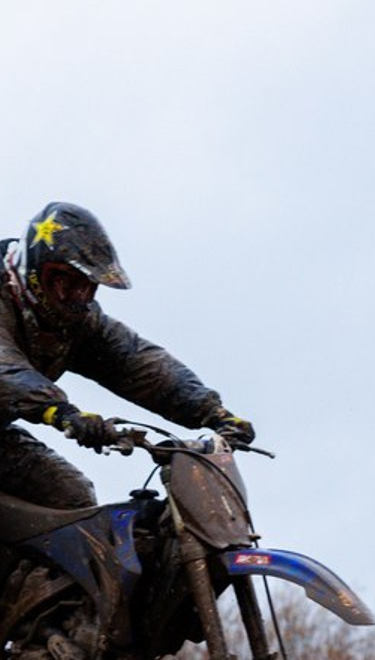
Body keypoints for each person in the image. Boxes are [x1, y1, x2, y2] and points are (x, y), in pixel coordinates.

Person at [0, 201, 254, 509]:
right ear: (37, 269)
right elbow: (5, 367)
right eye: (67, 282)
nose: (77, 295)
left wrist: (213, 413)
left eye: (86, 286)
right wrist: (60, 411)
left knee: (70, 499)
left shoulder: (78, 322)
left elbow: (133, 361)